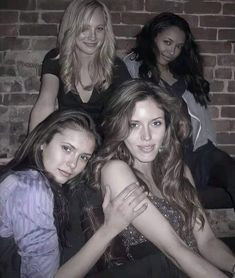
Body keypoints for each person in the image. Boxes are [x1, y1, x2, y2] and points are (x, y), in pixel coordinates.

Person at [87, 80, 235, 277]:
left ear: (166, 127)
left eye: (155, 123)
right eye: (134, 125)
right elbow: (174, 249)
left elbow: (207, 241)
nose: (146, 136)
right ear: (119, 127)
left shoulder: (179, 170)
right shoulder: (115, 171)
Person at [0, 109, 148, 278]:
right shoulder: (32, 189)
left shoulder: (43, 184)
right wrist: (110, 228)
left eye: (83, 157)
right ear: (43, 142)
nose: (73, 164)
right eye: (67, 148)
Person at [123, 12, 235, 208]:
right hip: (163, 155)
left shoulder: (184, 72)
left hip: (200, 152)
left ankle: (177, 201)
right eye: (167, 42)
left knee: (230, 172)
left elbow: (203, 116)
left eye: (178, 46)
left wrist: (209, 144)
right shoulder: (133, 66)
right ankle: (173, 201)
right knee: (175, 196)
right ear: (153, 36)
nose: (171, 50)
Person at [29, 0, 131, 132]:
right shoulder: (55, 59)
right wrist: (33, 148)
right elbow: (45, 104)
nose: (92, 36)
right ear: (71, 28)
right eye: (84, 29)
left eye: (99, 29)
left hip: (105, 145)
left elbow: (132, 106)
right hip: (68, 142)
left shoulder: (115, 65)